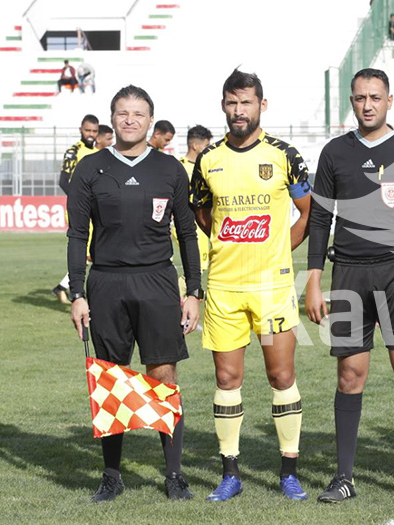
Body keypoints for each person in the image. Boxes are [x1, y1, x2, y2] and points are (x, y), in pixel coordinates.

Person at [306, 68, 394, 506]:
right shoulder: (334, 152)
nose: (367, 105)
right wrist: (312, 279)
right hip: (347, 273)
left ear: (389, 100)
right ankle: (344, 477)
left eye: (375, 97)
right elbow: (320, 218)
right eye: (360, 97)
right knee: (349, 375)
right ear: (352, 100)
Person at [67, 85, 201, 502]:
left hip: (158, 281)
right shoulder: (89, 169)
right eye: (122, 113)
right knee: (110, 378)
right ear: (113, 119)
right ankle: (111, 475)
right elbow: (76, 235)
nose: (130, 120)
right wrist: (77, 293)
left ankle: (174, 474)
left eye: (138, 113)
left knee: (163, 376)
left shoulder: (170, 169)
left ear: (150, 119)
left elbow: (186, 232)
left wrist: (194, 290)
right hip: (105, 282)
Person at [189, 69, 312, 502]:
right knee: (227, 377)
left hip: (272, 287)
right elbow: (203, 216)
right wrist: (229, 245)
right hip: (223, 286)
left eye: (246, 102)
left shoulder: (284, 154)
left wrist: (281, 251)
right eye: (231, 102)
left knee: (281, 375)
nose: (238, 110)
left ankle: (288, 472)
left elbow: (307, 211)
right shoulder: (207, 160)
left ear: (262, 104)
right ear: (223, 105)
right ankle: (230, 473)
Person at [53, 114, 100, 303]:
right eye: (88, 130)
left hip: (95, 208)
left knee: (94, 250)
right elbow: (64, 180)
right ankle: (75, 291)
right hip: (80, 208)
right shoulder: (74, 151)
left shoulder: (98, 152)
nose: (91, 134)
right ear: (81, 129)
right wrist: (81, 200)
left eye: (94, 131)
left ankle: (66, 287)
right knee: (85, 250)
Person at [174, 125, 213, 284]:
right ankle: (178, 296)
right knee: (196, 266)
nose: (209, 149)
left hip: (202, 223)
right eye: (206, 145)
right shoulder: (179, 166)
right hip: (186, 225)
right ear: (195, 145)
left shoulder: (207, 168)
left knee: (199, 267)